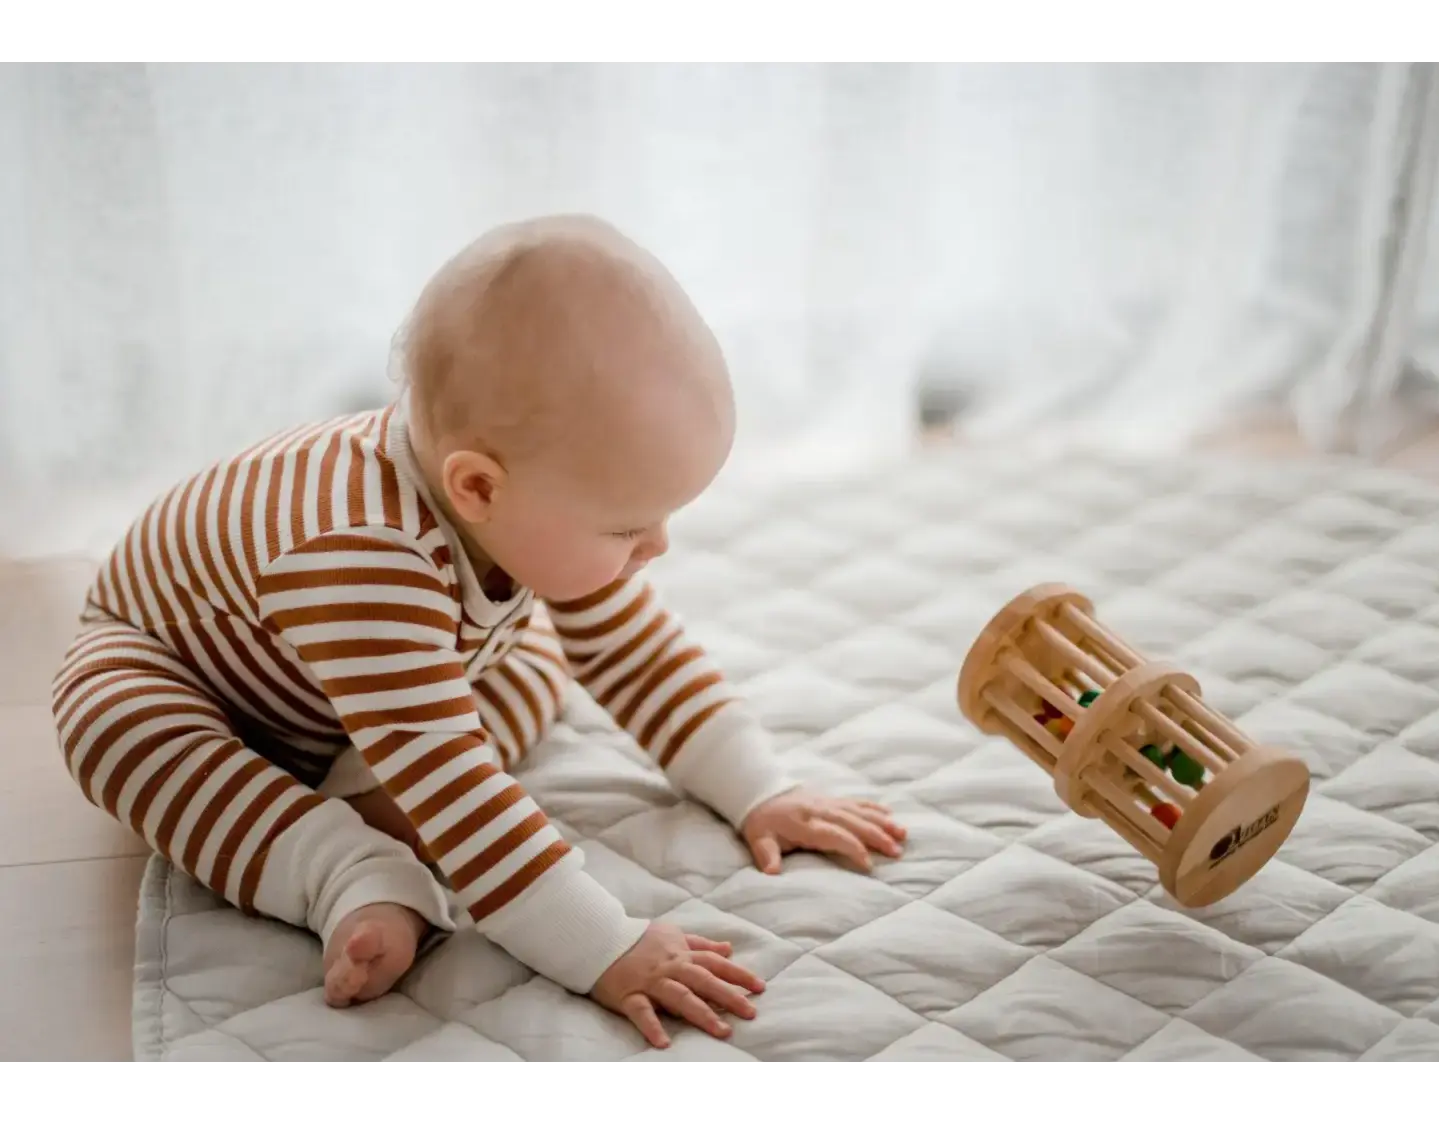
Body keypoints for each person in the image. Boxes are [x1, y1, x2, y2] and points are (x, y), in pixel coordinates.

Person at [50, 214, 907, 1049]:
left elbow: (635, 651)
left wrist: (760, 787)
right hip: (196, 679)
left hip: (375, 692)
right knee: (108, 721)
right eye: (626, 527)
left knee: (539, 662)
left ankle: (377, 773)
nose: (658, 546)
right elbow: (464, 799)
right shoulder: (364, 557)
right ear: (479, 489)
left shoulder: (519, 502)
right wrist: (603, 946)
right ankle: (344, 868)